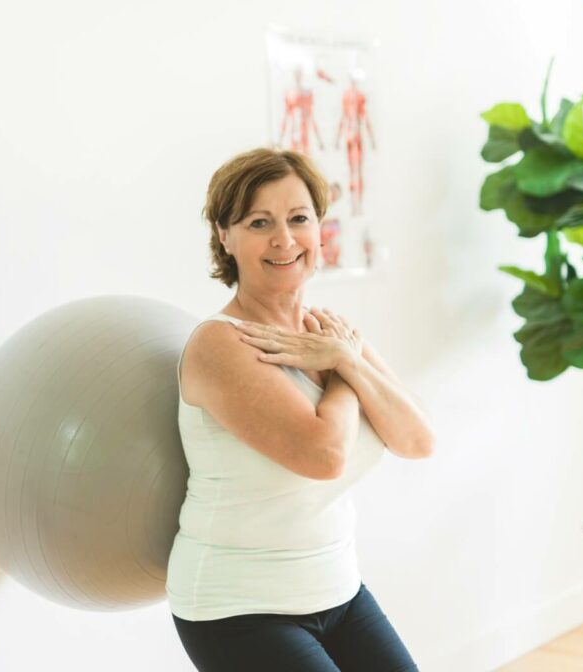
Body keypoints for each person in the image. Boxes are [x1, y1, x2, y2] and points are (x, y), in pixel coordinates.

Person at [166, 147, 434, 671]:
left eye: (299, 219)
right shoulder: (221, 344)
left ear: (319, 229)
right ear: (226, 236)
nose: (284, 240)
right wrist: (344, 367)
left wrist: (344, 361)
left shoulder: (330, 333)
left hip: (337, 588)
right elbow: (323, 455)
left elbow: (418, 440)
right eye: (259, 222)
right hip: (237, 606)